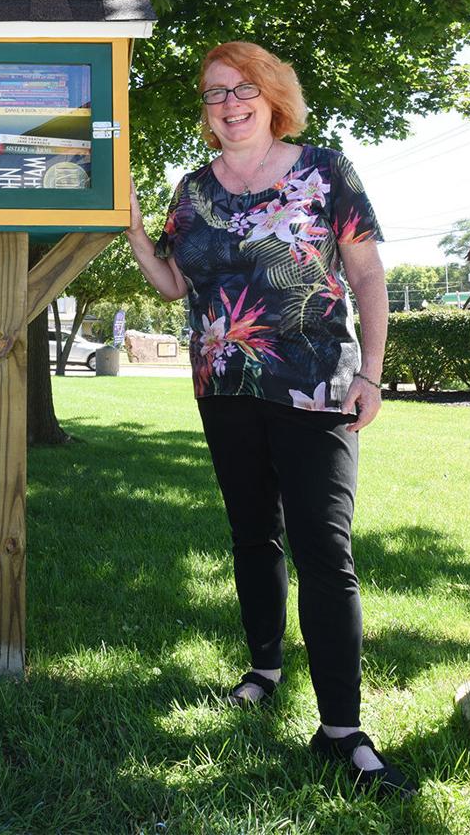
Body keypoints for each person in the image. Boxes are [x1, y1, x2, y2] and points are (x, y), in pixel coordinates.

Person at [125, 41, 412, 796]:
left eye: (242, 88)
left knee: (325, 550)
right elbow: (171, 283)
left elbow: (368, 273)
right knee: (253, 534)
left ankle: (342, 729)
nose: (229, 103)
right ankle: (264, 666)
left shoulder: (325, 170)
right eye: (215, 93)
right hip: (223, 386)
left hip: (316, 388)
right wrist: (131, 226)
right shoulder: (191, 191)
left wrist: (374, 375)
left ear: (273, 93)